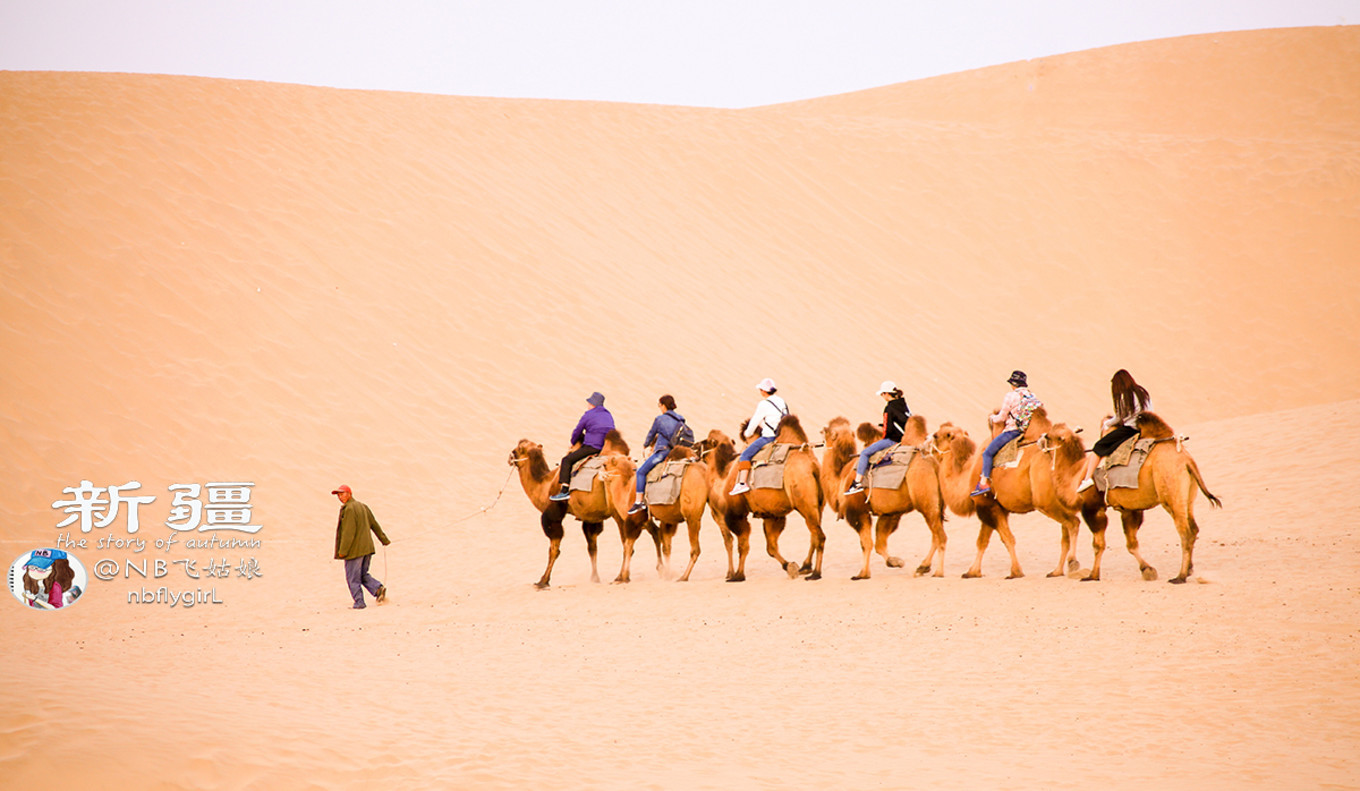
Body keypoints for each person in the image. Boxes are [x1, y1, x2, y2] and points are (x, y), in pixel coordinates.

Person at [1078, 369, 1154, 492]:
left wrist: (1107, 423)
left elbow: (1120, 417)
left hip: (1132, 429)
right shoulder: (1142, 392)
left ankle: (1087, 479)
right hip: (1147, 427)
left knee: (1098, 447)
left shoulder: (1126, 396)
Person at [971, 370, 1042, 498]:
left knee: (987, 453)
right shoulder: (1032, 396)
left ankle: (983, 483)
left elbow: (1002, 418)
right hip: (1029, 431)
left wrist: (992, 418)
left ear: (1013, 384)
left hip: (1013, 431)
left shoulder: (1011, 396)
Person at [845, 381, 911, 496]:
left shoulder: (889, 408)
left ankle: (857, 483)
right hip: (908, 437)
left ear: (886, 394)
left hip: (895, 439)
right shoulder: (902, 403)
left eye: (882, 394)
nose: (882, 397)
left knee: (865, 453)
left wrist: (883, 436)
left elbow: (888, 430)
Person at [332, 485, 391, 609]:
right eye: (338, 495)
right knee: (363, 574)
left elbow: (348, 533)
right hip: (367, 548)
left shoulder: (348, 509)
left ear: (349, 493)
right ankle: (378, 589)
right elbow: (374, 524)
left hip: (354, 551)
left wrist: (343, 551)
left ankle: (359, 602)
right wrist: (384, 539)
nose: (340, 497)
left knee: (353, 578)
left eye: (342, 494)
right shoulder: (363, 506)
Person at [549, 392, 616, 502]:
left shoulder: (588, 415)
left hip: (592, 447)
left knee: (567, 460)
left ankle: (564, 490)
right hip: (606, 447)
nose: (588, 405)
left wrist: (572, 442)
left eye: (589, 403)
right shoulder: (608, 415)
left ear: (593, 404)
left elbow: (577, 431)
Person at [630, 394, 690, 515]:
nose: (659, 408)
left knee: (641, 472)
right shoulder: (681, 419)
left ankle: (639, 502)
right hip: (676, 452)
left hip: (663, 452)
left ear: (663, 406)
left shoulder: (660, 419)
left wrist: (645, 445)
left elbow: (651, 434)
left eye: (660, 405)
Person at [729, 378, 789, 496]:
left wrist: (747, 434)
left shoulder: (764, 404)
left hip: (769, 437)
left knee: (745, 454)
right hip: (781, 436)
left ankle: (742, 484)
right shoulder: (782, 401)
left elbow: (754, 422)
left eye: (761, 389)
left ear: (763, 391)